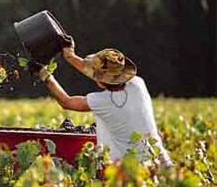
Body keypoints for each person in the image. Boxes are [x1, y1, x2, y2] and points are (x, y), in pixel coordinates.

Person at [37, 37, 172, 166]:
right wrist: (70, 56)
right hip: (161, 162)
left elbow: (66, 102)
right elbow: (98, 74)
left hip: (133, 170)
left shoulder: (103, 101)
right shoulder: (137, 84)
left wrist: (46, 76)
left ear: (100, 80)